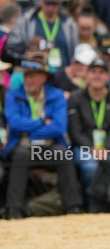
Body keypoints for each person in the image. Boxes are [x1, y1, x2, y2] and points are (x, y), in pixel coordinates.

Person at [3, 60, 83, 218]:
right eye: (26, 76)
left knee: (63, 154)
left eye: (33, 76)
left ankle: (73, 207)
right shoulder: (13, 95)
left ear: (44, 78)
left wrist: (30, 132)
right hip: (22, 145)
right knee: (21, 156)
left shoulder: (57, 95)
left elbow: (59, 127)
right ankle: (14, 209)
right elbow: (14, 123)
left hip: (48, 145)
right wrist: (41, 122)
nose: (28, 80)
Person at [66, 56, 110, 203]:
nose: (97, 76)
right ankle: (92, 203)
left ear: (108, 76)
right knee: (91, 167)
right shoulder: (75, 98)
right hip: (84, 147)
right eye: (93, 72)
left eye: (101, 72)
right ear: (87, 75)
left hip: (109, 147)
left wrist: (106, 148)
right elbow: (75, 131)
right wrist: (91, 148)